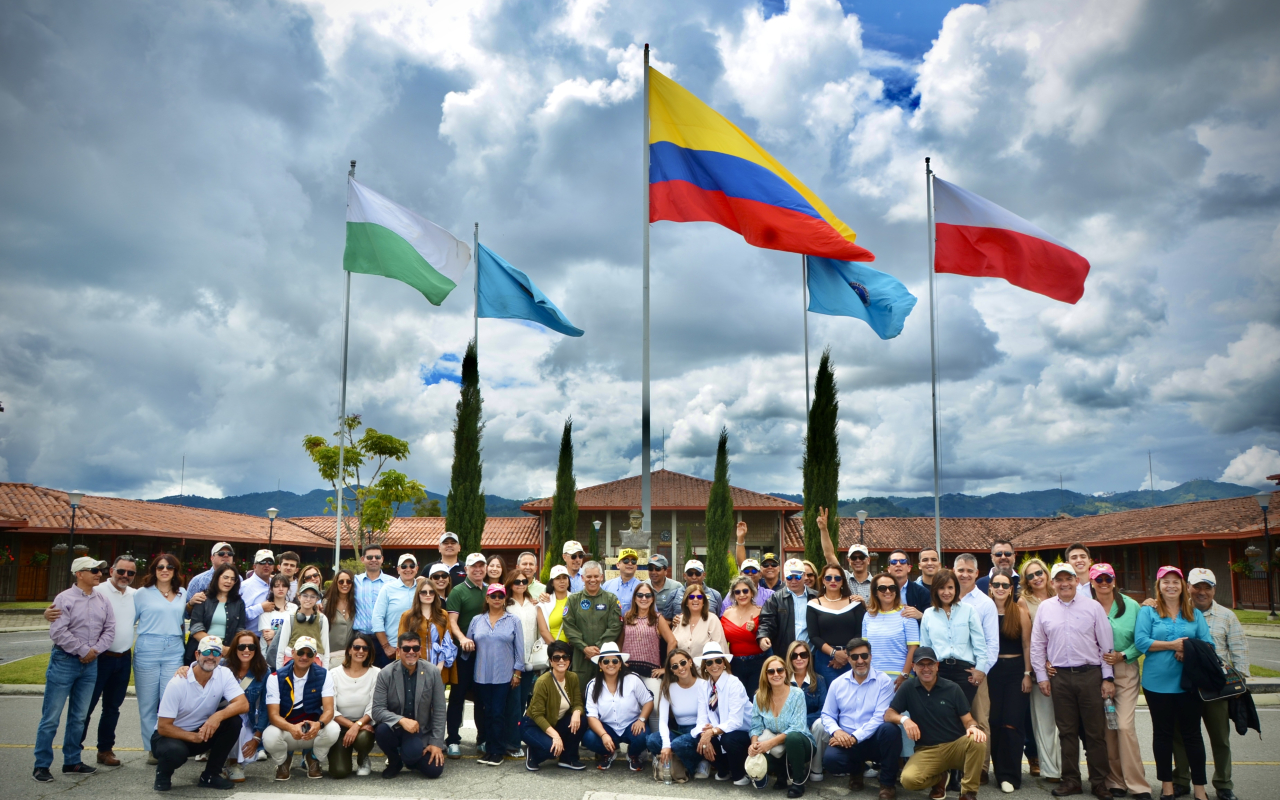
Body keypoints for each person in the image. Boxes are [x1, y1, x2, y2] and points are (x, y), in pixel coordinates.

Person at [1030, 562, 1116, 800]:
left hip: (1090, 675)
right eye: (1059, 579)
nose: (1064, 583)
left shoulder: (1093, 607)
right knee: (1066, 732)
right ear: (1053, 583)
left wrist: (1107, 677)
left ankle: (1099, 783)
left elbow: (1106, 645)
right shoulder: (1045, 608)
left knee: (1095, 733)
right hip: (1060, 677)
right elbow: (1038, 646)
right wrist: (1041, 677)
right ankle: (1071, 781)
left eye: (1069, 578)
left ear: (1077, 581)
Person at [33, 556, 114, 783]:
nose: (99, 573)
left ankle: (72, 761)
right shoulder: (64, 599)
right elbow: (58, 632)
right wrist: (82, 651)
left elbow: (110, 629)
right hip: (64, 661)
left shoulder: (103, 600)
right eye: (94, 570)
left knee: (79, 717)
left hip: (91, 664)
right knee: (51, 717)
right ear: (79, 574)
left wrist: (94, 651)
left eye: (100, 569)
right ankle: (41, 765)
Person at [1136, 566, 1213, 800]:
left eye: (1176, 582)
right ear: (1158, 586)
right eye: (1165, 581)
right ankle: (1167, 785)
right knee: (1163, 735)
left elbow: (1208, 644)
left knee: (1192, 735)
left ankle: (1199, 788)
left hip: (1188, 683)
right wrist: (1173, 645)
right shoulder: (1148, 611)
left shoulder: (1193, 613)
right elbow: (1141, 642)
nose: (1171, 586)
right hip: (1156, 683)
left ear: (1183, 586)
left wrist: (1188, 649)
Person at [1173, 568, 1246, 800]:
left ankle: (1223, 783)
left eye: (1207, 587)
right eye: (1197, 587)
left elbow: (1239, 651)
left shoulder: (1227, 616)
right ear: (1189, 588)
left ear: (1214, 589)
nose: (1202, 592)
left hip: (1216, 687)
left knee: (1220, 738)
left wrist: (1239, 683)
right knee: (1182, 736)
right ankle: (1181, 779)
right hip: (1184, 685)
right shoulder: (1178, 612)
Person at [886, 646, 987, 800]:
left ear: (937, 666)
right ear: (913, 667)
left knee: (977, 740)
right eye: (921, 664)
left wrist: (973, 727)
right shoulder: (908, 687)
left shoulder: (952, 688)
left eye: (930, 664)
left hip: (955, 746)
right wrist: (905, 720)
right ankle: (940, 778)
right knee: (908, 781)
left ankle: (968, 793)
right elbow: (888, 714)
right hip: (927, 750)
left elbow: (968, 719)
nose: (926, 669)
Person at [150, 637, 248, 791]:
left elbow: (243, 704)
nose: (211, 656)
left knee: (233, 722)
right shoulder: (178, 682)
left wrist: (217, 717)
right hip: (169, 737)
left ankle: (210, 775)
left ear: (221, 656)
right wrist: (193, 737)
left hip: (201, 731)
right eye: (206, 652)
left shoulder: (224, 673)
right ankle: (163, 774)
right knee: (175, 752)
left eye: (216, 652)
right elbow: (163, 727)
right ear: (197, 655)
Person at [1088, 564, 1150, 800]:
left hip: (1125, 670)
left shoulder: (1132, 606)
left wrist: (1124, 655)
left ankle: (1138, 784)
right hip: (1096, 673)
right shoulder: (1087, 606)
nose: (1103, 583)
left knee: (1124, 726)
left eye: (1108, 578)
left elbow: (1142, 639)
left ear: (1114, 580)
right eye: (1098, 579)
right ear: (1092, 582)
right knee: (1109, 729)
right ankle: (1115, 780)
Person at [76, 555, 137, 768]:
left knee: (112, 708)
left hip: (123, 658)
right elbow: (70, 604)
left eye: (131, 573)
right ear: (112, 570)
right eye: (121, 571)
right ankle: (74, 752)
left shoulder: (135, 595)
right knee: (86, 707)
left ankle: (105, 750)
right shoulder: (97, 590)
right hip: (99, 658)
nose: (125, 576)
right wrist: (49, 613)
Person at [819, 637, 900, 798]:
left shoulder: (884, 681)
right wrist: (837, 732)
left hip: (873, 739)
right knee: (831, 761)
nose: (860, 661)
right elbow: (827, 714)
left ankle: (887, 784)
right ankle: (856, 771)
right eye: (855, 657)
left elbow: (880, 717)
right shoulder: (837, 683)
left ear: (870, 656)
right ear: (848, 659)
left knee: (891, 730)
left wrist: (855, 737)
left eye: (864, 656)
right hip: (847, 740)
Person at [134, 553, 188, 766]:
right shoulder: (141, 594)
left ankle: (167, 744)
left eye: (169, 567)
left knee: (169, 702)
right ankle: (151, 748)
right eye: (160, 567)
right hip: (148, 647)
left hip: (174, 648)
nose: (164, 570)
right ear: (153, 570)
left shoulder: (182, 593)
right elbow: (127, 619)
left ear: (175, 571)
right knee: (147, 703)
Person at [371, 632, 447, 779]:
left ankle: (410, 758)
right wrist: (401, 720)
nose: (411, 652)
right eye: (406, 649)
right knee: (381, 730)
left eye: (415, 648)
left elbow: (439, 710)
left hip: (421, 731)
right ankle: (395, 760)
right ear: (398, 651)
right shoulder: (385, 674)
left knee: (434, 771)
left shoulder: (432, 672)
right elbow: (377, 710)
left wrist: (436, 743)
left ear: (420, 650)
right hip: (395, 729)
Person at [264, 635, 339, 780]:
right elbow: (273, 716)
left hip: (311, 729)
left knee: (333, 729)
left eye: (309, 653)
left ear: (315, 656)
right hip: (287, 729)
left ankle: (313, 757)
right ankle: (283, 760)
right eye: (300, 652)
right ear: (292, 653)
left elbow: (329, 710)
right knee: (270, 737)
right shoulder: (275, 677)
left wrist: (319, 724)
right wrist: (291, 728)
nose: (304, 657)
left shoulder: (324, 675)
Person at [468, 582, 526, 765]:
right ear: (487, 598)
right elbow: (468, 644)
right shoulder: (477, 620)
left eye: (500, 596)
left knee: (498, 712)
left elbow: (520, 649)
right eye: (493, 596)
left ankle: (497, 751)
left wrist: (517, 672)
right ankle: (489, 749)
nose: (497, 599)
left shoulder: (513, 620)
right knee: (486, 712)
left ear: (505, 599)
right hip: (481, 673)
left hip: (504, 674)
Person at [986, 569, 1032, 793]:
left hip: (1016, 671)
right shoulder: (984, 612)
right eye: (997, 585)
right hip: (991, 671)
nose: (1001, 589)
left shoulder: (1019, 611)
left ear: (1011, 588)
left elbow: (1027, 645)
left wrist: (1027, 673)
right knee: (994, 722)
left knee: (1012, 724)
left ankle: (1010, 775)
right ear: (991, 587)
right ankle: (998, 772)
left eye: (1005, 585)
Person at [954, 553, 998, 774]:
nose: (964, 574)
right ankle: (955, 767)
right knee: (952, 720)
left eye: (969, 571)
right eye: (961, 570)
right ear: (954, 571)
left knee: (979, 720)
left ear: (976, 574)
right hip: (949, 670)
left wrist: (981, 670)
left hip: (976, 670)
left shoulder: (985, 604)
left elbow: (992, 643)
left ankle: (980, 769)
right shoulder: (946, 599)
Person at [749, 654, 817, 797]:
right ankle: (782, 775)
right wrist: (754, 744)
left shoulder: (797, 694)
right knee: (756, 753)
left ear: (785, 672)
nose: (776, 674)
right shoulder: (758, 697)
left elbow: (797, 727)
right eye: (771, 671)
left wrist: (769, 744)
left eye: (780, 670)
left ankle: (798, 781)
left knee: (792, 737)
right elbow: (755, 726)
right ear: (765, 674)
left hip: (801, 744)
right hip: (775, 746)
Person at [918, 569, 987, 705]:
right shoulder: (928, 614)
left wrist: (980, 669)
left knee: (962, 715)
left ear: (956, 588)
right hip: (938, 672)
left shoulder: (968, 610)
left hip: (964, 672)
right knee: (941, 715)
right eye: (942, 588)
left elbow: (979, 643)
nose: (946, 592)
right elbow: (925, 647)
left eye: (950, 587)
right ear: (935, 590)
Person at [583, 641, 653, 771]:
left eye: (615, 661)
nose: (611, 664)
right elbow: (591, 716)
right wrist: (603, 735)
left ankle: (633, 755)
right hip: (607, 727)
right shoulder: (592, 685)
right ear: (600, 664)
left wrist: (641, 719)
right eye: (606, 661)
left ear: (620, 663)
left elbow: (648, 701)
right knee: (589, 738)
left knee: (644, 736)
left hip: (631, 725)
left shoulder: (633, 679)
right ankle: (608, 753)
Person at [1019, 557, 1059, 782]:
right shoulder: (1025, 601)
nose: (1036, 578)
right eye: (1031, 575)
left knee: (1065, 723)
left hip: (1064, 667)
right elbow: (1029, 640)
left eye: (1039, 573)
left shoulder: (1062, 594)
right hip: (1040, 668)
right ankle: (1050, 770)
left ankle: (1066, 767)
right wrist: (1038, 665)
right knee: (1043, 723)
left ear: (1047, 574)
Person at [445, 553, 488, 757]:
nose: (478, 569)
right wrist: (462, 639)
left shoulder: (491, 591)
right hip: (463, 655)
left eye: (481, 566)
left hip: (485, 655)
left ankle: (482, 739)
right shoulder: (458, 591)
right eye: (474, 566)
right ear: (467, 569)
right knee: (457, 697)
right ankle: (453, 739)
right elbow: (452, 622)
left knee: (481, 698)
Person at [505, 569, 551, 757]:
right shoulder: (506, 605)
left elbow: (543, 630)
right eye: (517, 582)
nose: (521, 585)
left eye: (524, 581)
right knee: (512, 704)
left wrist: (557, 650)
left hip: (530, 662)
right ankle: (511, 743)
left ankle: (516, 739)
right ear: (510, 584)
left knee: (524, 702)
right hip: (510, 662)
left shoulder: (534, 605)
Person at [522, 640, 587, 770]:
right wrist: (556, 736)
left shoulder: (572, 677)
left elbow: (578, 703)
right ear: (551, 661)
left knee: (582, 720)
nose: (561, 661)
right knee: (551, 750)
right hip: (533, 725)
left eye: (565, 657)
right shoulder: (543, 682)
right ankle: (533, 754)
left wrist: (576, 712)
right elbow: (537, 715)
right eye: (556, 657)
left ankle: (567, 758)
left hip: (554, 723)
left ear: (569, 660)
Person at [691, 641, 751, 782]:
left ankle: (740, 774)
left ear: (724, 663)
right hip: (721, 731)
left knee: (728, 738)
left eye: (718, 660)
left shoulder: (734, 683)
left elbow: (735, 722)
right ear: (705, 667)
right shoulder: (704, 686)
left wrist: (712, 731)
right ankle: (724, 770)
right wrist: (704, 734)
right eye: (709, 662)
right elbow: (702, 718)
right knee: (700, 738)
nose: (714, 665)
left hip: (744, 734)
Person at [218, 630, 270, 783]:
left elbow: (265, 707)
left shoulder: (263, 671)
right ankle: (224, 761)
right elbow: (200, 669)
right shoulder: (222, 666)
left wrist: (257, 737)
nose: (246, 650)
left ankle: (234, 764)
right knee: (234, 724)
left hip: (247, 718)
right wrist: (186, 668)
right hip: (221, 715)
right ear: (235, 649)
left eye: (251, 647)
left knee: (249, 752)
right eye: (242, 647)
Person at [562, 560, 623, 687]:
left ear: (601, 577)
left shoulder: (611, 599)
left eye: (596, 576)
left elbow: (615, 627)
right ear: (583, 578)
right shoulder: (573, 600)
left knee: (605, 693)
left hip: (605, 657)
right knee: (579, 695)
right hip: (580, 658)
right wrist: (584, 648)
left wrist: (596, 649)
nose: (593, 580)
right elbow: (569, 627)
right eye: (589, 576)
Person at [646, 647, 705, 779]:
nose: (680, 667)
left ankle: (693, 765)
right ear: (671, 670)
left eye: (683, 663)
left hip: (698, 732)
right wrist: (666, 744)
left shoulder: (703, 685)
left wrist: (672, 744)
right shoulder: (669, 688)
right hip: (679, 731)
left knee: (679, 744)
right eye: (675, 666)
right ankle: (678, 762)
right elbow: (662, 721)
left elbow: (704, 719)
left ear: (690, 662)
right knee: (652, 740)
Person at [327, 633, 380, 778]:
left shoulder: (376, 673)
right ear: (349, 650)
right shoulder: (334, 674)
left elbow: (373, 706)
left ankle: (363, 758)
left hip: (365, 725)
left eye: (365, 648)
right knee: (339, 772)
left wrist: (358, 725)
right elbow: (330, 708)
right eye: (356, 647)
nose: (361, 651)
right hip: (339, 726)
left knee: (363, 738)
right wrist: (352, 725)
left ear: (369, 652)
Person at [807, 564, 865, 684]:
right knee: (829, 698)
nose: (833, 581)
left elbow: (860, 632)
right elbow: (813, 636)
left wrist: (845, 654)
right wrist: (834, 653)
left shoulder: (854, 603)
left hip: (852, 657)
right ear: (823, 580)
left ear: (843, 581)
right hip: (825, 660)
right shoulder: (813, 604)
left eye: (837, 578)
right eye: (828, 578)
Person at [862, 573, 919, 687]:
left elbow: (913, 648)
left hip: (900, 678)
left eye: (892, 588)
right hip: (873, 676)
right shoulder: (868, 615)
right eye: (882, 588)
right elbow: (865, 648)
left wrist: (905, 674)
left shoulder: (907, 613)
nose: (888, 591)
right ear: (875, 592)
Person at [398, 578, 458, 685]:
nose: (428, 595)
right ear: (418, 594)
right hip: (414, 668)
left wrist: (440, 665)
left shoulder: (443, 615)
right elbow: (402, 645)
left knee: (438, 701)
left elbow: (448, 642)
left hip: (439, 668)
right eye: (424, 592)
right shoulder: (407, 616)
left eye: (431, 592)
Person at [786, 641, 829, 782]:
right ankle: (788, 767)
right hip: (789, 727)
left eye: (803, 654)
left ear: (809, 657)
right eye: (795, 655)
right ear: (790, 658)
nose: (799, 658)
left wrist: (803, 722)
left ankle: (815, 768)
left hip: (810, 725)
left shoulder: (819, 680)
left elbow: (824, 710)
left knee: (821, 724)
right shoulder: (783, 680)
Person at [619, 580, 672, 694]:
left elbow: (672, 641)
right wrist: (619, 661)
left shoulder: (658, 619)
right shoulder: (627, 617)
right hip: (628, 670)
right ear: (634, 598)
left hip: (651, 672)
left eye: (648, 595)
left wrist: (666, 668)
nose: (644, 598)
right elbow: (621, 641)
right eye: (640, 595)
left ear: (652, 598)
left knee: (655, 707)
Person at [759, 558, 818, 658]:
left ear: (804, 576)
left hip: (812, 655)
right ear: (784, 577)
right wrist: (763, 636)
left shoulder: (816, 597)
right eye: (789, 577)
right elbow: (767, 621)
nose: (793, 581)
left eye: (798, 577)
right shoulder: (775, 598)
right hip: (785, 654)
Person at [722, 575, 768, 697]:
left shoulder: (761, 611)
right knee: (736, 699)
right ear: (733, 595)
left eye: (745, 591)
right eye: (737, 592)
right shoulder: (727, 613)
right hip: (734, 664)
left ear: (752, 593)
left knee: (755, 699)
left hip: (757, 663)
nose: (741, 594)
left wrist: (755, 629)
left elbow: (767, 634)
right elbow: (721, 639)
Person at [188, 564, 245, 660]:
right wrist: (218, 647)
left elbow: (240, 630)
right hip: (202, 651)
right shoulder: (203, 598)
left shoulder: (239, 602)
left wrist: (230, 650)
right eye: (225, 577)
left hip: (227, 653)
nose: (229, 581)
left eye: (232, 579)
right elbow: (196, 629)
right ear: (217, 578)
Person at [817, 507, 873, 602]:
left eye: (862, 557)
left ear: (868, 560)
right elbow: (829, 554)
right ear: (849, 561)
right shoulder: (843, 577)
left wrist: (864, 604)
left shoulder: (877, 583)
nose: (858, 560)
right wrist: (823, 529)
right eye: (854, 558)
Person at [374, 554, 420, 663]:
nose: (408, 569)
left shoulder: (422, 589)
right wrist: (386, 646)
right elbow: (377, 618)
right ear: (398, 569)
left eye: (412, 566)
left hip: (418, 649)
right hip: (394, 648)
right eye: (404, 566)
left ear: (417, 569)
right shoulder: (387, 589)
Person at [352, 544, 392, 667]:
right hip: (361, 639)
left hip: (387, 640)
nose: (373, 560)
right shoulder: (354, 581)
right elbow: (333, 594)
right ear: (362, 559)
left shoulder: (393, 583)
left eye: (377, 557)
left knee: (386, 678)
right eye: (369, 557)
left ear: (382, 559)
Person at [275, 582, 331, 669]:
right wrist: (280, 672)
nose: (308, 599)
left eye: (312, 596)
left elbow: (325, 650)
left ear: (317, 599)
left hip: (315, 662)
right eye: (305, 595)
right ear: (299, 597)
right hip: (292, 661)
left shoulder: (322, 620)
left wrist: (325, 672)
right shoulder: (290, 618)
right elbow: (281, 649)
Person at [670, 581, 728, 659]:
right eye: (691, 597)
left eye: (699, 597)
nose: (695, 599)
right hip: (684, 670)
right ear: (686, 602)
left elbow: (721, 648)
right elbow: (673, 648)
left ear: (704, 601)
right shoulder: (678, 620)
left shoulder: (712, 619)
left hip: (706, 669)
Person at [733, 523, 781, 602]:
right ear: (761, 570)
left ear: (779, 568)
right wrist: (740, 538)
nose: (770, 567)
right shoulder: (756, 583)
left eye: (774, 564)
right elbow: (743, 565)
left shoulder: (786, 586)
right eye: (765, 564)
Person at [185, 543, 236, 615]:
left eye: (230, 553)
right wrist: (190, 604)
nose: (226, 555)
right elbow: (185, 613)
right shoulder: (198, 580)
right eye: (221, 553)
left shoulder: (238, 579)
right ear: (212, 558)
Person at [259, 575, 296, 668]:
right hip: (269, 660)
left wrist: (275, 633)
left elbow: (295, 633)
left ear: (288, 589)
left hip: (289, 659)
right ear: (271, 589)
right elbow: (268, 638)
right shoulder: (266, 609)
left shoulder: (294, 608)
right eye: (277, 586)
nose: (281, 589)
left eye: (284, 586)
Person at [240, 550, 279, 638]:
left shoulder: (276, 584)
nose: (266, 565)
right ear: (254, 566)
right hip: (252, 637)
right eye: (262, 562)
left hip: (273, 636)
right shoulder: (245, 586)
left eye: (270, 562)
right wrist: (260, 608)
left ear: (273, 567)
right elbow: (238, 614)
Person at [324, 568, 357, 668]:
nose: (345, 584)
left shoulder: (356, 603)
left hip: (351, 657)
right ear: (336, 583)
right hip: (330, 657)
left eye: (349, 581)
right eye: (341, 581)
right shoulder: (326, 603)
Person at [887, 550, 932, 617]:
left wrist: (921, 615)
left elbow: (932, 620)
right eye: (894, 562)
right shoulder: (882, 591)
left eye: (902, 561)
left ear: (909, 568)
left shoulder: (922, 592)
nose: (898, 564)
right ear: (889, 569)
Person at [603, 548, 643, 614]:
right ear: (618, 565)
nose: (630, 563)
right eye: (626, 560)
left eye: (633, 561)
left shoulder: (642, 587)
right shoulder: (607, 586)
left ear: (636, 566)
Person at [539, 565, 573, 642]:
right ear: (552, 583)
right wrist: (557, 650)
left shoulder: (576, 600)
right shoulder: (544, 603)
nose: (562, 581)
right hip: (553, 649)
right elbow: (543, 631)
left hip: (575, 648)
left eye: (564, 577)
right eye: (558, 578)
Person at [647, 555, 684, 621]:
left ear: (665, 571)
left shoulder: (677, 587)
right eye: (650, 568)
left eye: (657, 569)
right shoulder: (643, 586)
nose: (653, 572)